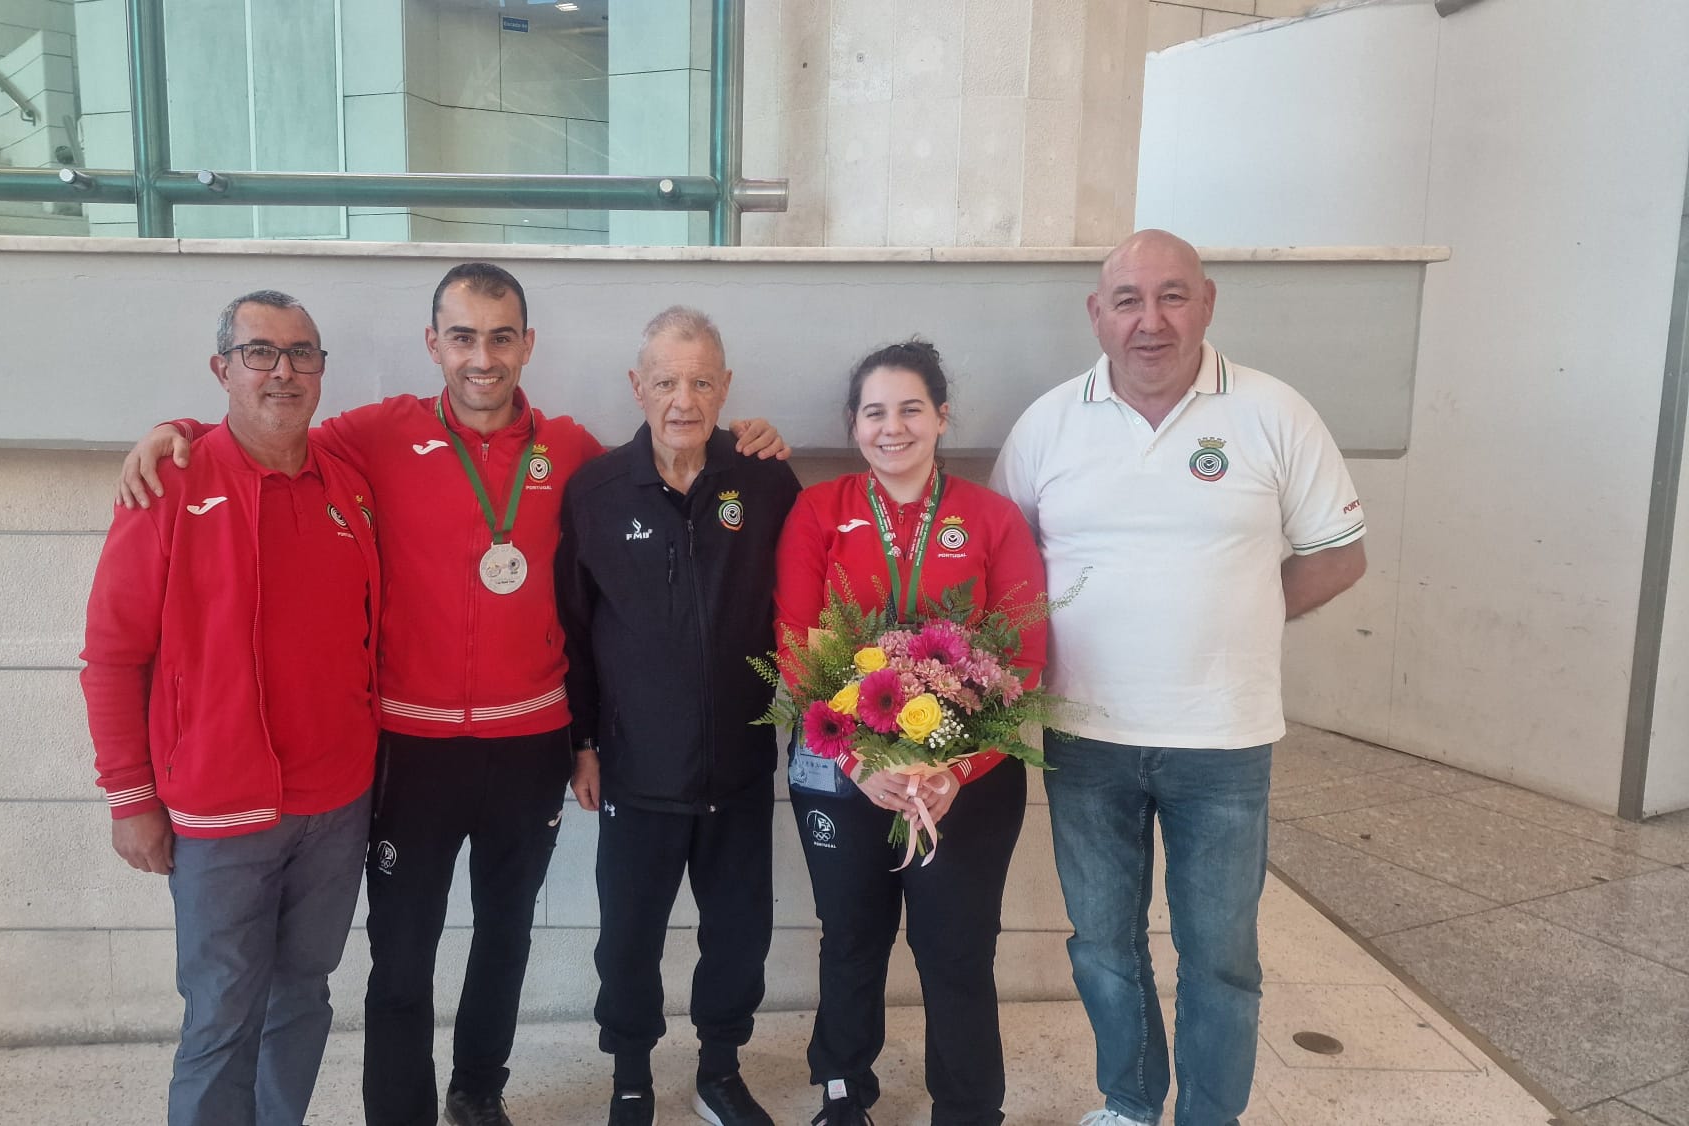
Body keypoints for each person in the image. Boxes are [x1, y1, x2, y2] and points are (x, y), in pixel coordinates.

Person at [116, 263, 788, 1126]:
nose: (482, 357)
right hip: (413, 748)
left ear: (526, 346)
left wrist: (747, 439)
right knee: (402, 953)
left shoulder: (575, 453)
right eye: (463, 336)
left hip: (529, 743)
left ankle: (479, 1092)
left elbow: (665, 453)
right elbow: (268, 428)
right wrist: (176, 430)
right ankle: (402, 1112)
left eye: (501, 336)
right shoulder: (374, 435)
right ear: (433, 344)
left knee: (504, 938)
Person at [990, 230, 1367, 1126]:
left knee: (1222, 956)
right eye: (1127, 300)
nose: (1149, 321)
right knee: (1103, 948)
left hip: (1224, 744)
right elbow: (1003, 567)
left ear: (1206, 302)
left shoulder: (1274, 412)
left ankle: (1209, 1116)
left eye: (1170, 297)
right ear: (1097, 314)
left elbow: (1338, 558)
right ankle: (1128, 1102)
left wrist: (1232, 619)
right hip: (1084, 739)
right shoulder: (1049, 421)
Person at [80, 290, 383, 1126]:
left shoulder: (348, 486)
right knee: (220, 1017)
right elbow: (112, 654)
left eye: (302, 354)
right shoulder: (171, 482)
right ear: (223, 369)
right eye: (260, 353)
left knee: (303, 999)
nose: (283, 371)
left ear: (322, 370)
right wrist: (130, 796)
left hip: (337, 804)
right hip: (219, 813)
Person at [771, 340, 1048, 1126]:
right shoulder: (818, 511)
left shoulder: (989, 518)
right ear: (853, 425)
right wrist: (860, 763)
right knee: (851, 939)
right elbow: (795, 643)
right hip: (844, 771)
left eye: (910, 409)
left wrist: (955, 769)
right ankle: (841, 1093)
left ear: (942, 417)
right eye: (874, 412)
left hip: (969, 784)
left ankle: (967, 1109)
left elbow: (1021, 657)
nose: (892, 428)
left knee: (956, 951)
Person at [553, 308, 802, 1126]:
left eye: (701, 381)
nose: (683, 399)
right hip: (636, 770)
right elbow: (576, 632)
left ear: (725, 388)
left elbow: (800, 605)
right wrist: (584, 743)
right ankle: (630, 1075)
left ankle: (719, 1072)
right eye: (666, 381)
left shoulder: (765, 483)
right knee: (628, 939)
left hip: (737, 765)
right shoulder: (594, 492)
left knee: (738, 937)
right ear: (638, 387)